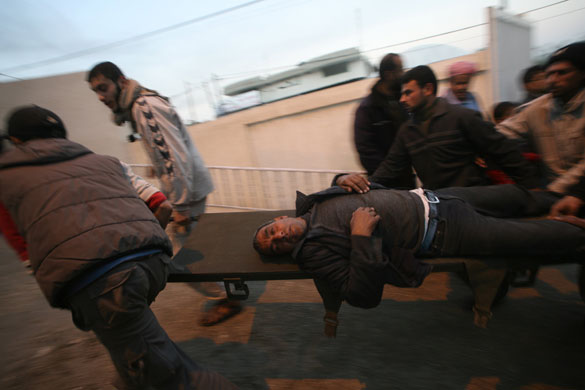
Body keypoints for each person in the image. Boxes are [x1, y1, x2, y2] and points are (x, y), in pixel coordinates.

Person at [0, 106, 237, 389]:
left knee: (170, 378)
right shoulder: (104, 161)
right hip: (154, 262)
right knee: (131, 353)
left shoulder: (6, 179)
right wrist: (138, 246)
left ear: (15, 141)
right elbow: (161, 204)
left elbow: (26, 251)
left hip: (101, 283)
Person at [253, 183, 584, 309]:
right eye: (275, 247)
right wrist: (362, 239)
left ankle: (574, 201)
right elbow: (361, 296)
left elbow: (355, 187)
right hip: (446, 232)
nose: (278, 238)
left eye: (271, 231)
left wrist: (344, 180)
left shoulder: (313, 204)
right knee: (538, 237)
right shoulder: (315, 254)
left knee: (518, 195)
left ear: (279, 217)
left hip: (439, 196)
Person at [87, 62, 242, 326]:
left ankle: (227, 298)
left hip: (186, 194)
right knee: (198, 248)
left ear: (121, 82)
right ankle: (231, 287)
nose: (101, 97)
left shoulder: (144, 106)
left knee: (183, 259)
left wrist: (179, 205)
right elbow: (168, 151)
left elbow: (173, 155)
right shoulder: (143, 104)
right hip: (188, 189)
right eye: (96, 92)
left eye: (103, 88)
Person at [336, 65, 540, 192]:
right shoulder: (407, 132)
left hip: (475, 201)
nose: (402, 99)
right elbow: (388, 170)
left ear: (428, 89)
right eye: (401, 94)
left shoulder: (461, 117)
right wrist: (353, 184)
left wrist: (531, 187)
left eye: (408, 93)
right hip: (440, 205)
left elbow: (502, 151)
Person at [497, 41, 585, 196]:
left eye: (562, 73)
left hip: (574, 191)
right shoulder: (537, 108)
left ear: (581, 73)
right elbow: (500, 133)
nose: (552, 80)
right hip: (550, 191)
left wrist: (555, 191)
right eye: (549, 74)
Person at [353, 53, 413, 185]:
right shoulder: (367, 108)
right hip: (385, 183)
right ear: (389, 74)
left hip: (407, 178)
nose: (404, 74)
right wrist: (387, 173)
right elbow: (365, 150)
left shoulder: (402, 101)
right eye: (401, 69)